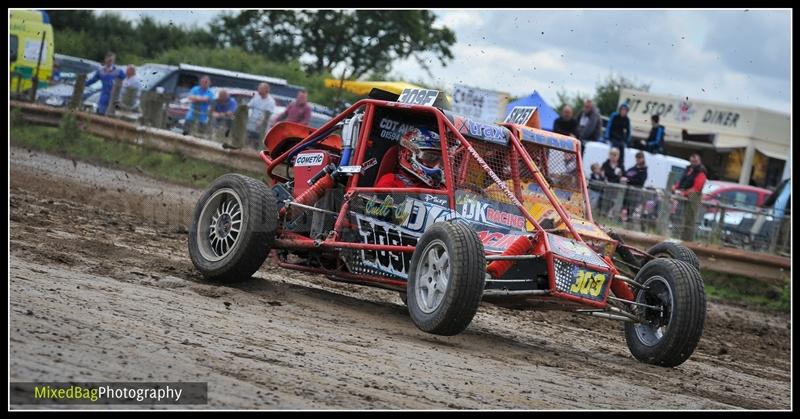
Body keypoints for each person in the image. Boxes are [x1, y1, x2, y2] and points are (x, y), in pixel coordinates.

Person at [375, 127, 444, 189]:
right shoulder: (391, 181)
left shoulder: (439, 187)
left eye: (440, 160)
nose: (437, 165)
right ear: (407, 154)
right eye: (430, 157)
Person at [246, 82, 277, 148]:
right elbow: (248, 106)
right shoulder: (256, 97)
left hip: (262, 128)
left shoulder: (271, 101)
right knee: (247, 142)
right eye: (259, 88)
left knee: (257, 145)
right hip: (251, 125)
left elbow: (266, 115)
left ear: (266, 90)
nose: (258, 90)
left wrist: (260, 123)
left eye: (260, 88)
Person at [621, 151, 648, 221]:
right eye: (637, 158)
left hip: (636, 192)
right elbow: (625, 174)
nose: (638, 160)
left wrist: (628, 180)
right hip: (627, 191)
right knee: (624, 207)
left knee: (631, 209)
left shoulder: (643, 170)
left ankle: (629, 222)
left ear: (643, 159)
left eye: (640, 158)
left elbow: (640, 181)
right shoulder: (633, 168)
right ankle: (621, 220)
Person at [603, 103, 632, 167]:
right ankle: (610, 164)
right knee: (615, 147)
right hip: (612, 136)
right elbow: (609, 126)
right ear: (620, 110)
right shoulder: (614, 116)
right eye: (622, 109)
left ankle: (620, 166)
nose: (623, 111)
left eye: (625, 110)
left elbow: (629, 131)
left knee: (622, 148)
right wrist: (606, 136)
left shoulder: (627, 119)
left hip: (620, 138)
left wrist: (627, 141)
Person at [599, 147, 624, 217]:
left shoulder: (620, 165)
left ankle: (610, 215)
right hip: (606, 187)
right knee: (604, 201)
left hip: (615, 188)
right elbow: (601, 174)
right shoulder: (605, 164)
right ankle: (602, 214)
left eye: (615, 155)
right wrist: (603, 177)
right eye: (611, 154)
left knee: (613, 202)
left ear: (618, 156)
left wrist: (621, 176)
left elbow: (623, 175)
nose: (613, 156)